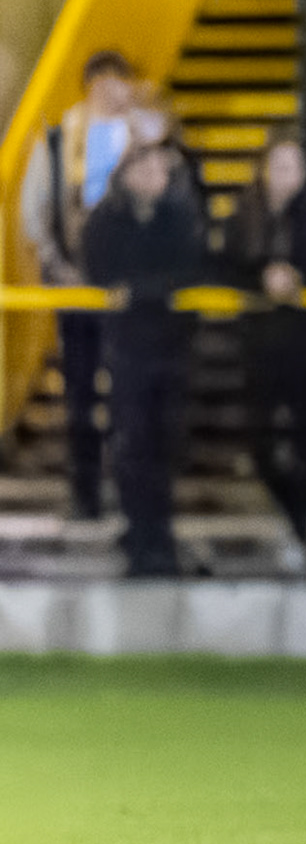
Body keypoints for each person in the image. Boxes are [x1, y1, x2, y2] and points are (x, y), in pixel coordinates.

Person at [19, 49, 141, 522]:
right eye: (109, 80)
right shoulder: (57, 139)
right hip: (75, 284)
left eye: (123, 80)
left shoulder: (143, 138)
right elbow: (35, 210)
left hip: (127, 291)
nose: (117, 90)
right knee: (81, 395)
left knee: (129, 393)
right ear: (92, 84)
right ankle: (85, 491)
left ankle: (129, 489)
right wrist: (54, 264)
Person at [80, 141, 203, 576]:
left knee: (164, 443)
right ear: (126, 171)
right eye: (145, 165)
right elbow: (99, 270)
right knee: (132, 443)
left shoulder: (180, 215)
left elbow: (191, 268)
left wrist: (139, 291)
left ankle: (160, 535)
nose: (155, 174)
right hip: (128, 349)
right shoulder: (106, 220)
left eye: (160, 166)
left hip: (170, 347)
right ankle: (140, 534)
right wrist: (150, 291)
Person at [223, 131, 306, 564]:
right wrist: (261, 279)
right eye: (279, 166)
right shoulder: (245, 214)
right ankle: (289, 511)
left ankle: (301, 521)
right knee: (261, 440)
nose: (286, 177)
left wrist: (299, 279)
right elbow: (226, 263)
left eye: (294, 167)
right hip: (261, 342)